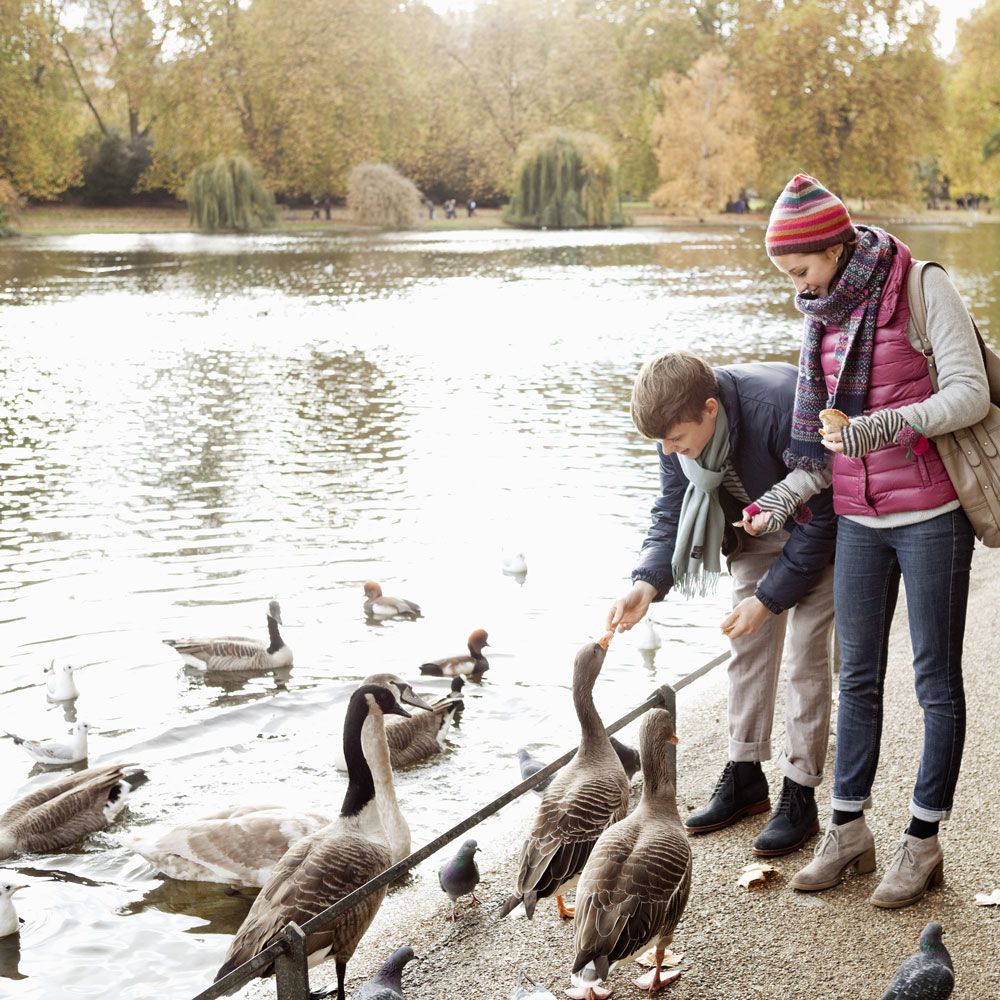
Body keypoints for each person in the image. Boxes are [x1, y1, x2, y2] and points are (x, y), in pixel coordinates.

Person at [748, 174, 989, 907]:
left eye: (801, 269)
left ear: (834, 245)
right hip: (858, 517)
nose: (797, 286)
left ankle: (923, 841)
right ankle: (848, 830)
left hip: (931, 516)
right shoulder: (821, 314)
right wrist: (779, 499)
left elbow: (970, 392)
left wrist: (882, 428)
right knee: (856, 678)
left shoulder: (920, 286)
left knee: (933, 681)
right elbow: (822, 446)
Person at [608, 351, 837, 856]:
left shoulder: (780, 407)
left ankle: (799, 794)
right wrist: (646, 582)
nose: (669, 452)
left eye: (676, 440)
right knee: (745, 648)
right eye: (662, 443)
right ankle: (746, 775)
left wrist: (769, 600)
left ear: (710, 409)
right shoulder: (675, 429)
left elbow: (825, 512)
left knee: (805, 660)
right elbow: (671, 509)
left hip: (818, 531)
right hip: (751, 532)